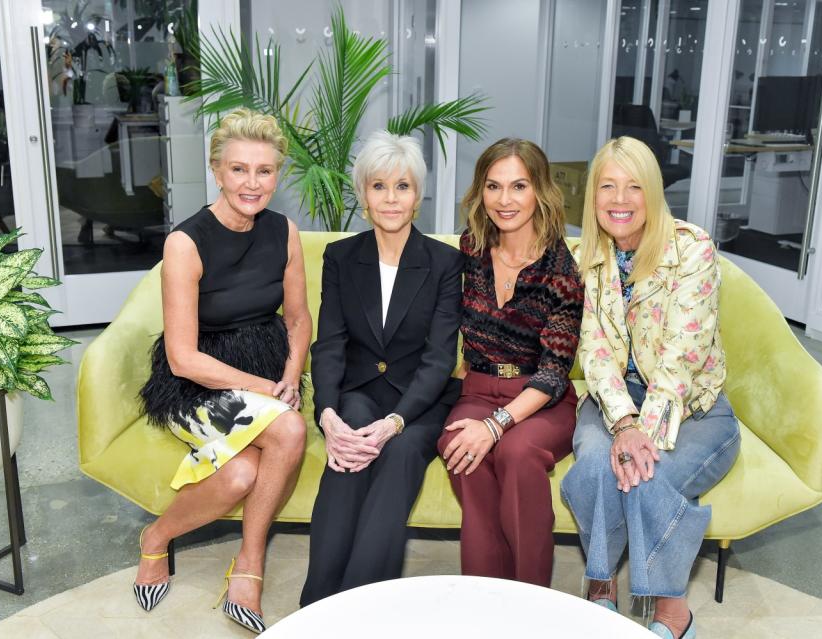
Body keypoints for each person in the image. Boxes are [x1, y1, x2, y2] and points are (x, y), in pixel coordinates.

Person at [136, 108, 311, 633]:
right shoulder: (185, 242)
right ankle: (241, 563)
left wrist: (291, 373)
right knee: (290, 428)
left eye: (264, 171)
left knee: (241, 473)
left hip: (265, 364)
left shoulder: (283, 231)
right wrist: (271, 392)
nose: (252, 183)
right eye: (239, 169)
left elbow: (299, 319)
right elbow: (182, 357)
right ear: (216, 171)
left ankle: (165, 540)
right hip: (196, 380)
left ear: (276, 175)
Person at [560, 136, 740, 639]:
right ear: (593, 195)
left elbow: (682, 358)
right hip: (614, 402)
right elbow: (594, 351)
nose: (620, 200)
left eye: (634, 186)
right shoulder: (587, 258)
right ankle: (601, 589)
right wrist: (622, 423)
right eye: (608, 186)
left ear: (654, 192)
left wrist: (644, 438)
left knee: (646, 473)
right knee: (598, 463)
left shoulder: (692, 248)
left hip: (696, 410)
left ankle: (672, 613)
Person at [300, 131, 464, 606]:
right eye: (379, 186)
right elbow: (329, 343)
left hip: (420, 402)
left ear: (418, 197)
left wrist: (395, 422)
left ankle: (362, 607)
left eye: (403, 186)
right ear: (363, 195)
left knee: (400, 454)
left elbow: (439, 359)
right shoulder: (340, 256)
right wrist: (326, 415)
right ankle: (317, 606)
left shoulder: (444, 262)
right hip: (359, 392)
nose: (391, 198)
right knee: (348, 445)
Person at [437, 138, 584, 587]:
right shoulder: (471, 249)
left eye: (518, 186)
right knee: (462, 448)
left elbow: (554, 371)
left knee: (517, 453)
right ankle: (486, 597)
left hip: (540, 398)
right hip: (478, 388)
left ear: (540, 191)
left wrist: (498, 424)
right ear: (480, 191)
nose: (505, 200)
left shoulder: (562, 268)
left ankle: (531, 599)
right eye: (493, 186)